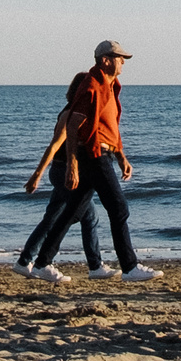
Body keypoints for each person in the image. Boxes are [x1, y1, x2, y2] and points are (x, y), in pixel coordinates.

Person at [73, 41, 161, 282]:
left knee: (70, 212)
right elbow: (74, 125)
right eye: (119, 57)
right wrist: (73, 162)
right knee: (119, 208)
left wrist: (121, 156)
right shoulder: (93, 85)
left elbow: (110, 127)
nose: (123, 62)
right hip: (95, 155)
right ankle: (130, 267)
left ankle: (35, 260)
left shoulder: (111, 87)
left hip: (104, 154)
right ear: (105, 60)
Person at [16, 70, 108, 282]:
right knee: (89, 216)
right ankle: (94, 266)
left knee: (52, 218)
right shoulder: (69, 115)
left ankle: (24, 261)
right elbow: (54, 146)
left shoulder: (77, 112)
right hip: (63, 171)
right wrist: (36, 176)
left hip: (65, 171)